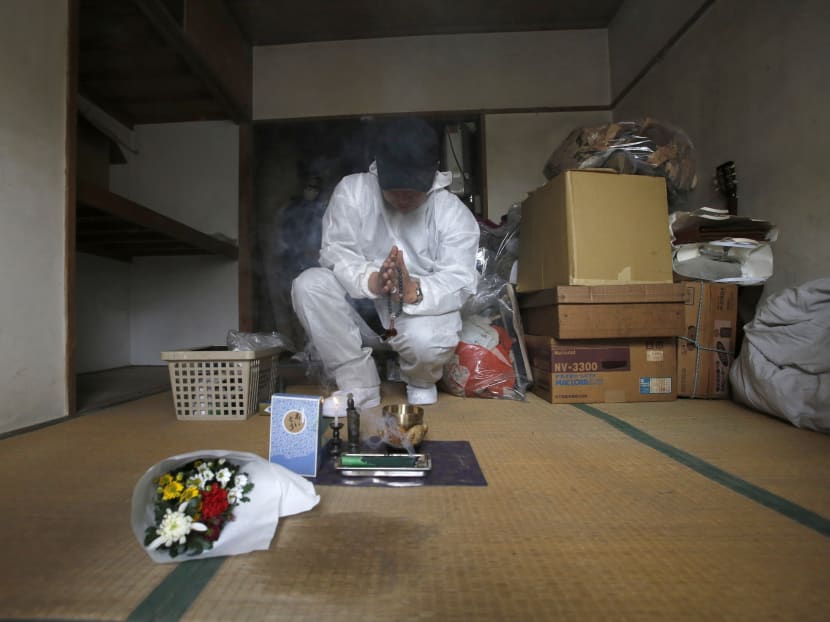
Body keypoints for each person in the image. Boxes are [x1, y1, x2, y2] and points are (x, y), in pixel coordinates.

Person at [291, 117, 480, 416]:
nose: (403, 197)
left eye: (413, 189)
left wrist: (416, 290)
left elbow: (461, 280)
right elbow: (336, 252)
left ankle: (419, 380)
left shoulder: (452, 213)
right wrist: (373, 281)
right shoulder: (353, 191)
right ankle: (359, 386)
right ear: (379, 170)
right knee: (309, 284)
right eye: (395, 188)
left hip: (417, 319)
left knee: (428, 341)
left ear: (431, 176)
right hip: (358, 313)